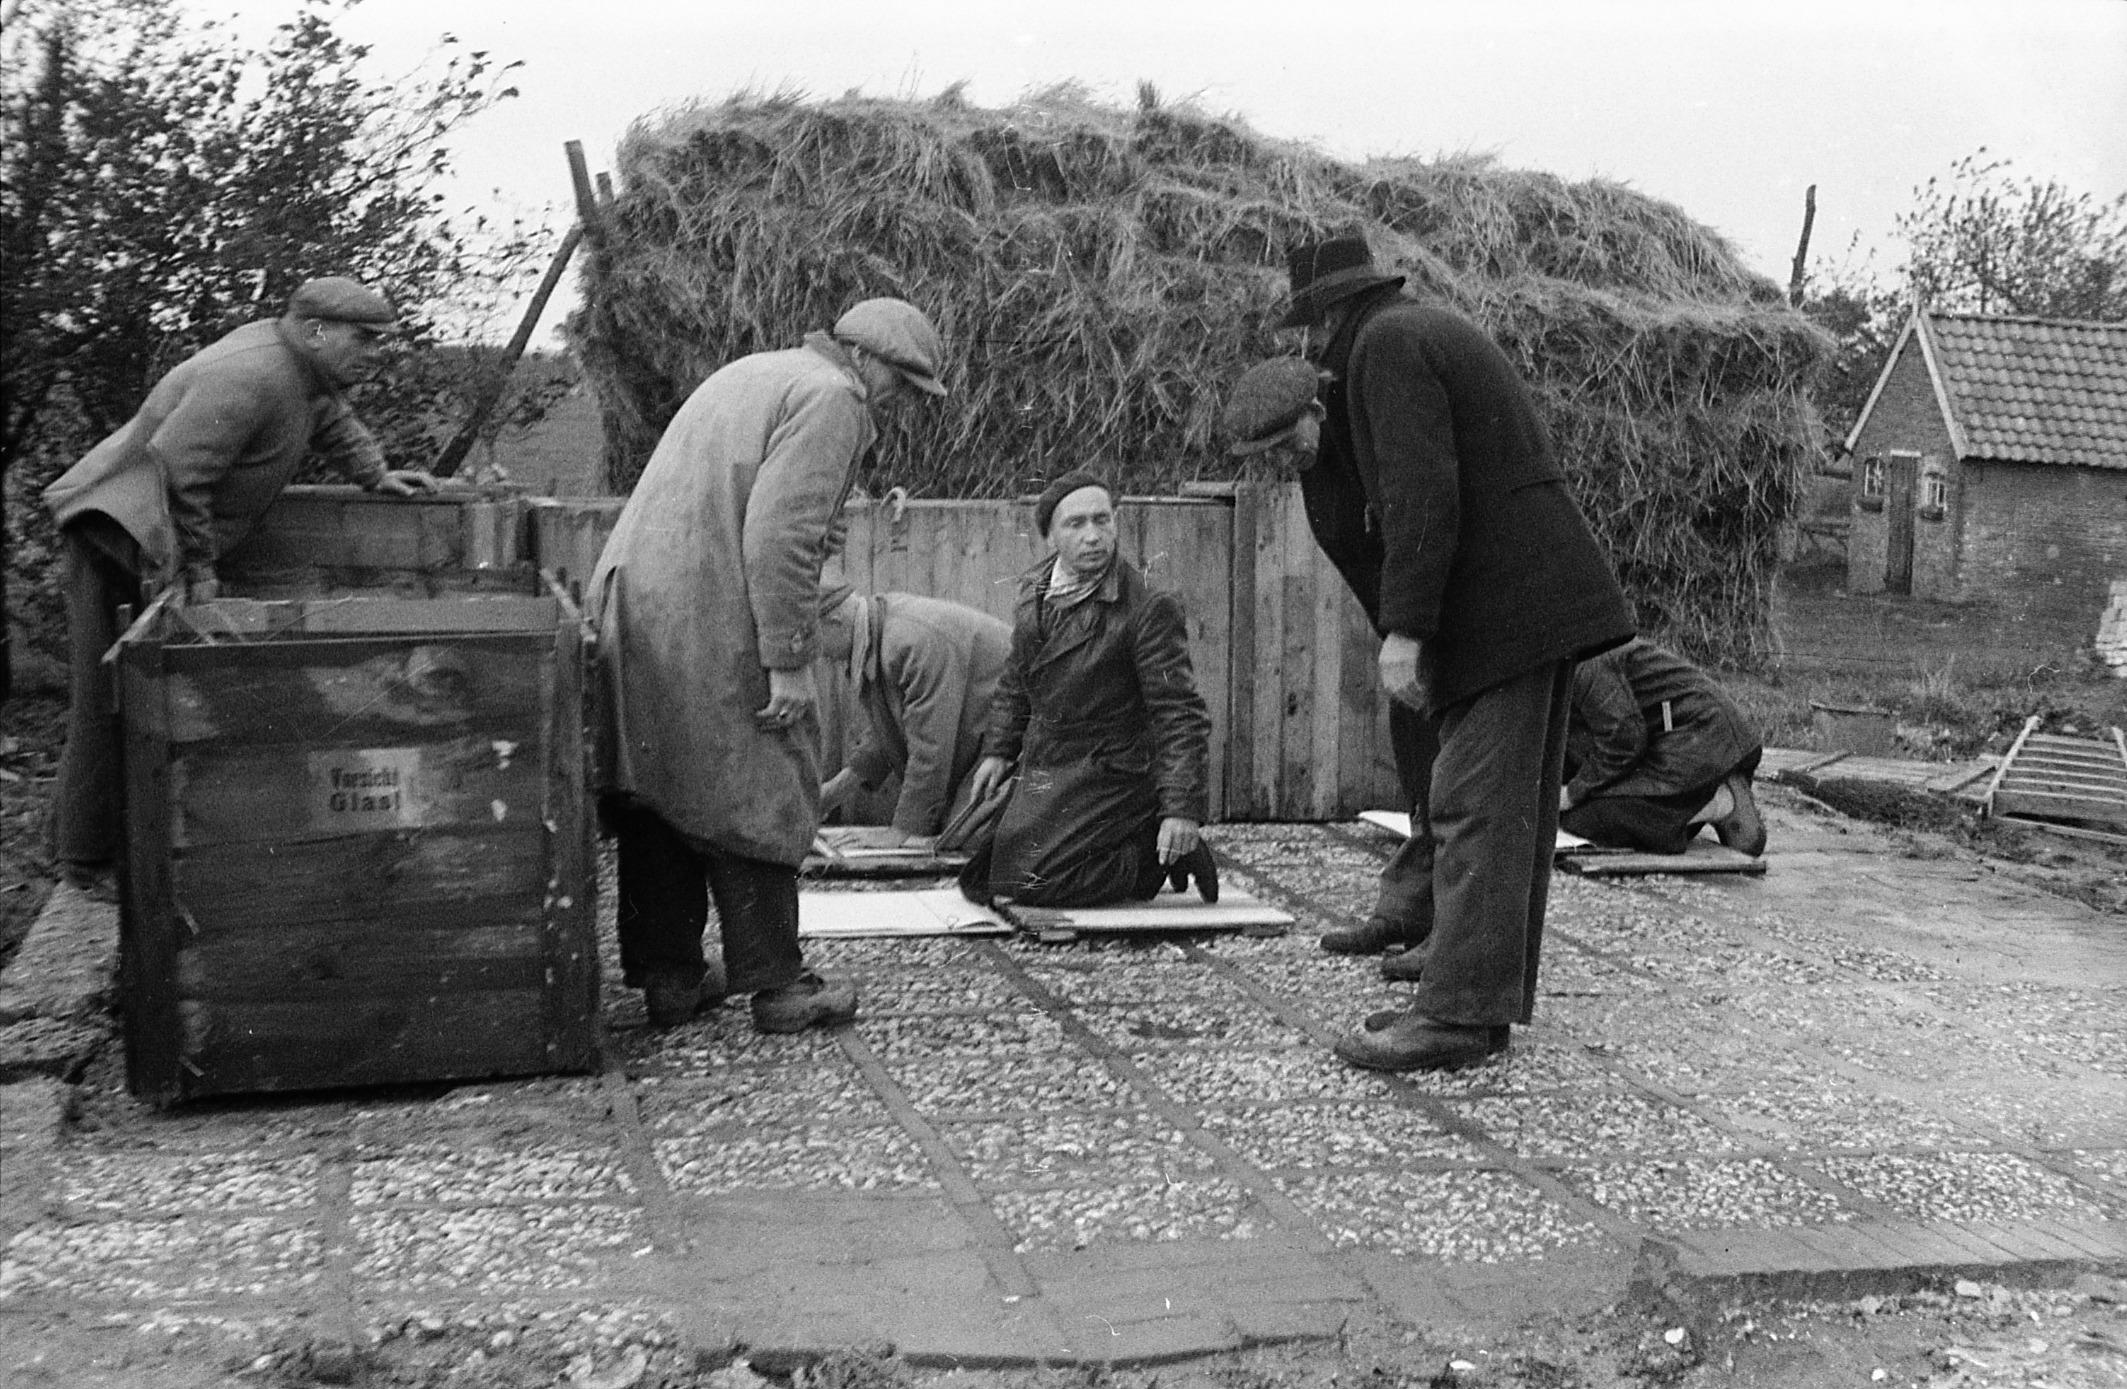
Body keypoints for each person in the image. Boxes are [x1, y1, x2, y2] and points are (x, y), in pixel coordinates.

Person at [1226, 234, 1637, 1073]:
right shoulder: (1401, 338)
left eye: (1310, 328)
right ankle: (1470, 1000)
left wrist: (1407, 631)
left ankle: (1453, 1016)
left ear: (1327, 316)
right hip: (1514, 607)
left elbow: (1422, 493)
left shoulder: (1385, 347)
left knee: (1476, 806)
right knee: (1498, 811)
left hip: (1506, 608)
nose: (1309, 347)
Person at [588, 297, 947, 1030]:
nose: (902, 402)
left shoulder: (762, 371)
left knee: (659, 786)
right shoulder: (833, 397)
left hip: (638, 602)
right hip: (710, 609)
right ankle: (780, 987)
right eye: (902, 383)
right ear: (865, 358)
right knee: (765, 781)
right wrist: (787, 659)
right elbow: (779, 538)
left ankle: (671, 978)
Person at [41, 275, 438, 895]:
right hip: (117, 536)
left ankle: (94, 840)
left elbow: (329, 417)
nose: (375, 353)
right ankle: (86, 862)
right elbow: (177, 478)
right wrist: (200, 572)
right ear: (315, 330)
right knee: (111, 695)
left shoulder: (300, 371)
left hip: (151, 534)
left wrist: (375, 474)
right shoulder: (251, 376)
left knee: (146, 693)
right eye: (363, 339)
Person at [1223, 355, 1439, 964]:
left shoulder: (1377, 446)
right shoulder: (1318, 471)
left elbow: (1422, 535)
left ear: (1316, 411)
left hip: (1440, 629)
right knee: (1420, 776)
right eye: (1267, 452)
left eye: (1286, 442)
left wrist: (1417, 635)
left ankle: (1451, 938)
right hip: (1403, 635)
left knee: (1457, 790)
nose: (1280, 459)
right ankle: (1405, 915)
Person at [957, 472, 1218, 909]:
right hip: (1051, 760)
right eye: (1075, 524)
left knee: (1036, 884)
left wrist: (1180, 809)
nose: (1093, 536)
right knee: (981, 878)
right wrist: (998, 750)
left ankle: (1148, 855)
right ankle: (1130, 845)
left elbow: (1179, 714)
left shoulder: (1148, 606)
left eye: (1102, 520)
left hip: (1115, 771)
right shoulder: (1037, 590)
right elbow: (1018, 678)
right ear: (1050, 537)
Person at [815, 585, 1013, 849]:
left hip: (1017, 744)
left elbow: (932, 744)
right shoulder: (880, 633)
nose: (814, 652)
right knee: (949, 838)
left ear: (835, 621)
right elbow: (892, 730)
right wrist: (833, 793)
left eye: (810, 636)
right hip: (985, 742)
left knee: (970, 843)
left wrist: (902, 831)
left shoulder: (910, 641)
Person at [1561, 636, 1767, 856]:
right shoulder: (1571, 652)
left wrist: (1573, 792)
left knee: (1588, 820)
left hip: (1706, 739)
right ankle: (1689, 803)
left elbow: (1624, 742)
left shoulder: (1587, 658)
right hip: (1679, 744)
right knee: (1582, 808)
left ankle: (1717, 801)